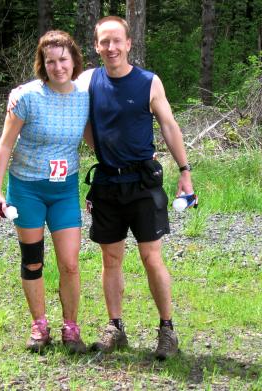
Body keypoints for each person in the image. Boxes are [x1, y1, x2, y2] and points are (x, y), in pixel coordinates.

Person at [82, 16, 195, 360]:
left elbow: (170, 126)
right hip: (107, 183)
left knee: (151, 257)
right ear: (97, 45)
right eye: (105, 42)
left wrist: (186, 173)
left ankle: (167, 330)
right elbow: (72, 110)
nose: (111, 47)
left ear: (129, 44)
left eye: (117, 41)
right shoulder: (88, 80)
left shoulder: (148, 82)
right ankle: (115, 327)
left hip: (143, 183)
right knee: (110, 257)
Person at [0, 30, 92, 354]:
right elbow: (5, 146)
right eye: (50, 61)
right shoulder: (28, 97)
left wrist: (127, 162)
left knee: (70, 264)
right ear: (42, 64)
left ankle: (71, 328)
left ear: (74, 59)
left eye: (63, 59)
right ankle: (39, 325)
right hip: (27, 189)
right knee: (33, 262)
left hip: (63, 191)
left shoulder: (86, 96)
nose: (58, 66)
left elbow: (94, 140)